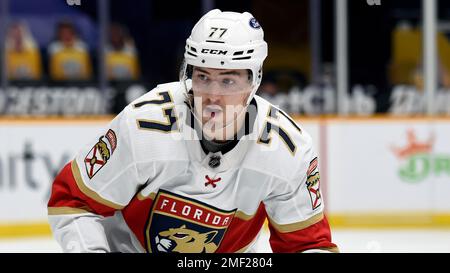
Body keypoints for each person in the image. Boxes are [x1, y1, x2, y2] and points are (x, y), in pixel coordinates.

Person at [47, 9, 338, 253]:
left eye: (228, 81)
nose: (212, 95)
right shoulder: (143, 127)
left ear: (254, 80)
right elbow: (74, 202)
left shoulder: (287, 149)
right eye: (203, 76)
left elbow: (307, 244)